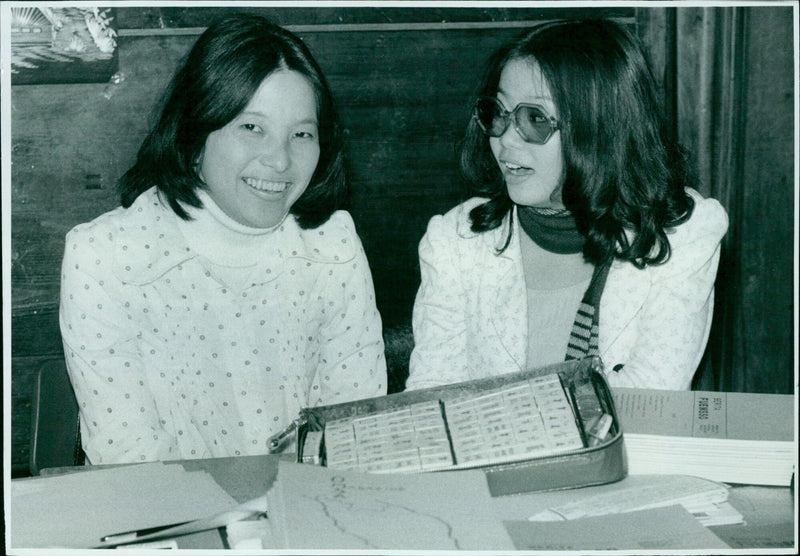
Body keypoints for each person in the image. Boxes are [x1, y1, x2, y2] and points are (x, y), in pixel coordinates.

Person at [59, 15, 386, 464]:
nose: (279, 160)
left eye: (302, 134)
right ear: (196, 133)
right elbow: (131, 459)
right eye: (251, 127)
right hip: (168, 517)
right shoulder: (104, 259)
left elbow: (355, 431)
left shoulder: (333, 244)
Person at [406, 19, 728, 391]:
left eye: (534, 119)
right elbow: (433, 395)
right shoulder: (456, 240)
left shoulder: (683, 235)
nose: (505, 140)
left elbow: (651, 397)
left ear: (600, 130)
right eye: (499, 112)